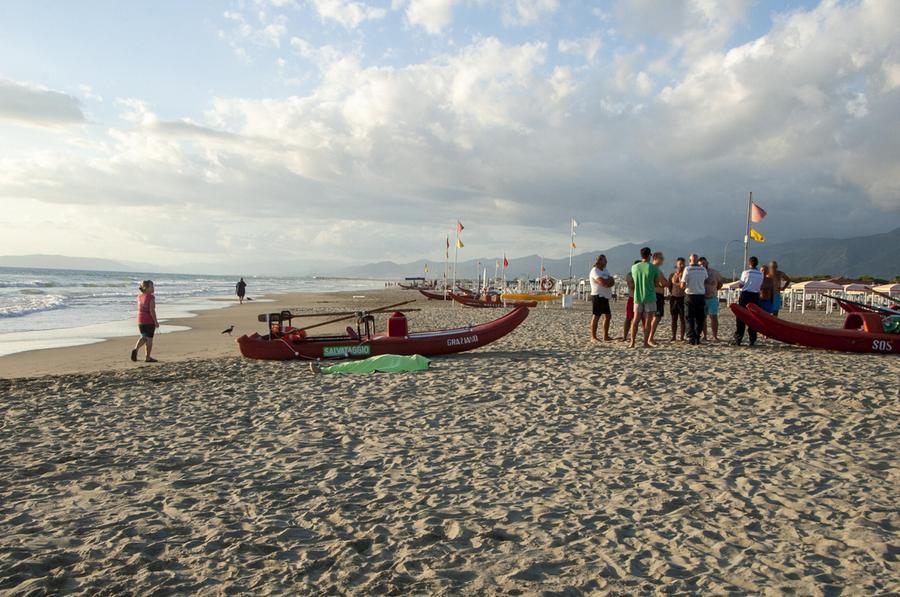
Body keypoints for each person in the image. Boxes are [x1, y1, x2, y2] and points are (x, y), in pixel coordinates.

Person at [629, 248, 665, 348]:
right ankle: (645, 343)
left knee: (635, 320)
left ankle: (632, 342)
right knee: (648, 322)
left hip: (638, 296)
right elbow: (657, 283)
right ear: (649, 255)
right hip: (650, 296)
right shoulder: (653, 268)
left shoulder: (634, 267)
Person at [732, 256, 764, 346]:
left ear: (749, 263)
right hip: (755, 296)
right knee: (753, 317)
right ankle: (752, 339)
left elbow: (741, 285)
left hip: (746, 295)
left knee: (741, 317)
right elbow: (760, 285)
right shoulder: (761, 274)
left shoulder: (745, 272)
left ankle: (738, 338)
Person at [680, 254, 708, 345]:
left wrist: (680, 284)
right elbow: (705, 279)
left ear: (690, 260)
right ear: (697, 260)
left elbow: (683, 284)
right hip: (700, 295)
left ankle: (691, 337)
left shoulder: (687, 269)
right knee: (700, 317)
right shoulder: (703, 269)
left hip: (690, 295)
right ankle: (697, 336)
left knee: (689, 317)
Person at [131, 280, 159, 363]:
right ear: (146, 288)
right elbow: (152, 311)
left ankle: (136, 349)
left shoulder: (139, 296)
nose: (153, 288)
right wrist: (156, 321)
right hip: (148, 321)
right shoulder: (151, 297)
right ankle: (148, 357)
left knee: (143, 336)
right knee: (149, 339)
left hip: (140, 320)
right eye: (152, 286)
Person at [589, 255, 614, 342]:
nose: (606, 262)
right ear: (599, 261)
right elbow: (603, 282)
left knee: (608, 316)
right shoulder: (595, 271)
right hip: (597, 295)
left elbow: (612, 282)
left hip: (605, 296)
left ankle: (605, 336)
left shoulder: (605, 270)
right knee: (596, 316)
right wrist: (608, 281)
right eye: (604, 260)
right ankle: (593, 337)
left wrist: (609, 282)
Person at [699, 257, 723, 341]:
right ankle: (704, 335)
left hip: (712, 298)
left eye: (704, 263)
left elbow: (720, 283)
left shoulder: (714, 272)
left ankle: (715, 336)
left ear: (707, 263)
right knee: (702, 318)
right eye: (700, 264)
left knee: (714, 317)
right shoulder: (697, 273)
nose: (702, 265)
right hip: (701, 297)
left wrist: (714, 289)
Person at [648, 252, 668, 344]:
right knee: (657, 317)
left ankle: (649, 337)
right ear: (655, 258)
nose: (663, 260)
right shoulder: (655, 269)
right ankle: (650, 338)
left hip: (654, 295)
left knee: (652, 317)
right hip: (657, 295)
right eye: (661, 258)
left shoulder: (651, 268)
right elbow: (664, 283)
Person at [621, 260, 639, 342]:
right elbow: (631, 286)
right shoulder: (630, 274)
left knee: (644, 319)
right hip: (632, 298)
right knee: (629, 318)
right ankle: (625, 336)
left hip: (641, 299)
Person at [669, 257, 686, 341]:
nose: (682, 265)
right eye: (680, 264)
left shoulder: (685, 275)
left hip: (682, 298)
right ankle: (673, 336)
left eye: (683, 264)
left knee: (683, 318)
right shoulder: (672, 275)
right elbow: (670, 286)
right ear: (677, 264)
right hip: (673, 298)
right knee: (674, 318)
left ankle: (682, 337)